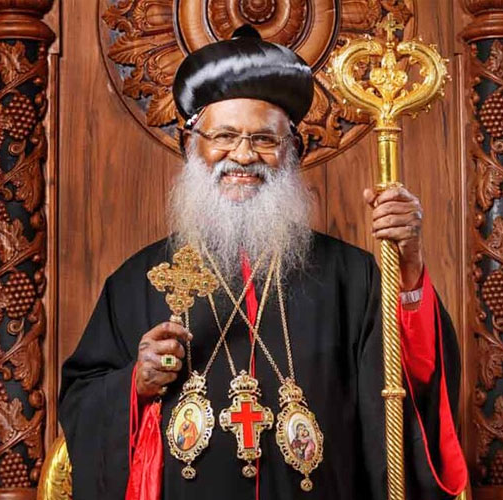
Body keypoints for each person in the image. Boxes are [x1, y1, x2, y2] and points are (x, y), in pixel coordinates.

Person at [59, 24, 468, 500]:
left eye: (264, 140)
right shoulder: (139, 282)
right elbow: (83, 404)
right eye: (224, 136)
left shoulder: (351, 278)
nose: (242, 155)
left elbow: (411, 388)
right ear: (190, 145)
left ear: (294, 151)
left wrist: (409, 269)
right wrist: (137, 383)